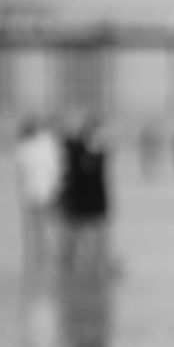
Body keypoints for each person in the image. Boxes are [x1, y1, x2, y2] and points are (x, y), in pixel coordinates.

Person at [58, 115, 112, 276]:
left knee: (99, 239)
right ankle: (68, 271)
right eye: (97, 132)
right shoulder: (74, 149)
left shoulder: (101, 152)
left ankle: (98, 269)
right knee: (73, 239)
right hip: (77, 201)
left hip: (97, 202)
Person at [12, 116, 64, 272]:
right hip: (47, 193)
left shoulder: (23, 148)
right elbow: (57, 171)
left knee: (32, 231)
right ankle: (46, 260)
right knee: (48, 229)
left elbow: (19, 173)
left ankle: (34, 262)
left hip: (31, 194)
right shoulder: (49, 145)